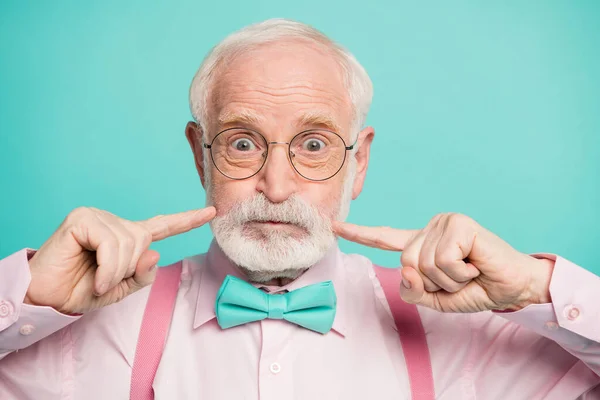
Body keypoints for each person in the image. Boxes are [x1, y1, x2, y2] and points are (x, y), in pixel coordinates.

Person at [0, 18, 599, 400]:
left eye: (313, 146)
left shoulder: (469, 339)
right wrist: (24, 297)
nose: (277, 186)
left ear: (358, 163)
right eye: (242, 144)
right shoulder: (83, 333)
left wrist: (537, 286)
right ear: (198, 156)